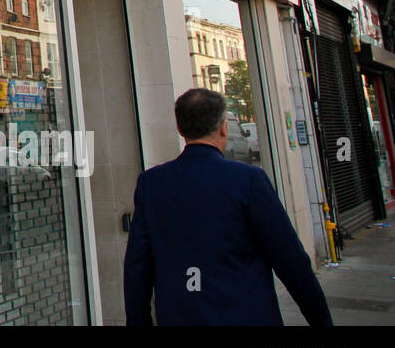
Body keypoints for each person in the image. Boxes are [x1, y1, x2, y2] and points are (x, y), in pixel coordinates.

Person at [123, 87, 332, 326]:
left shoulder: (152, 183)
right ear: (224, 127)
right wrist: (321, 320)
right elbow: (291, 261)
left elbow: (137, 268)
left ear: (180, 129)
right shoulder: (248, 179)